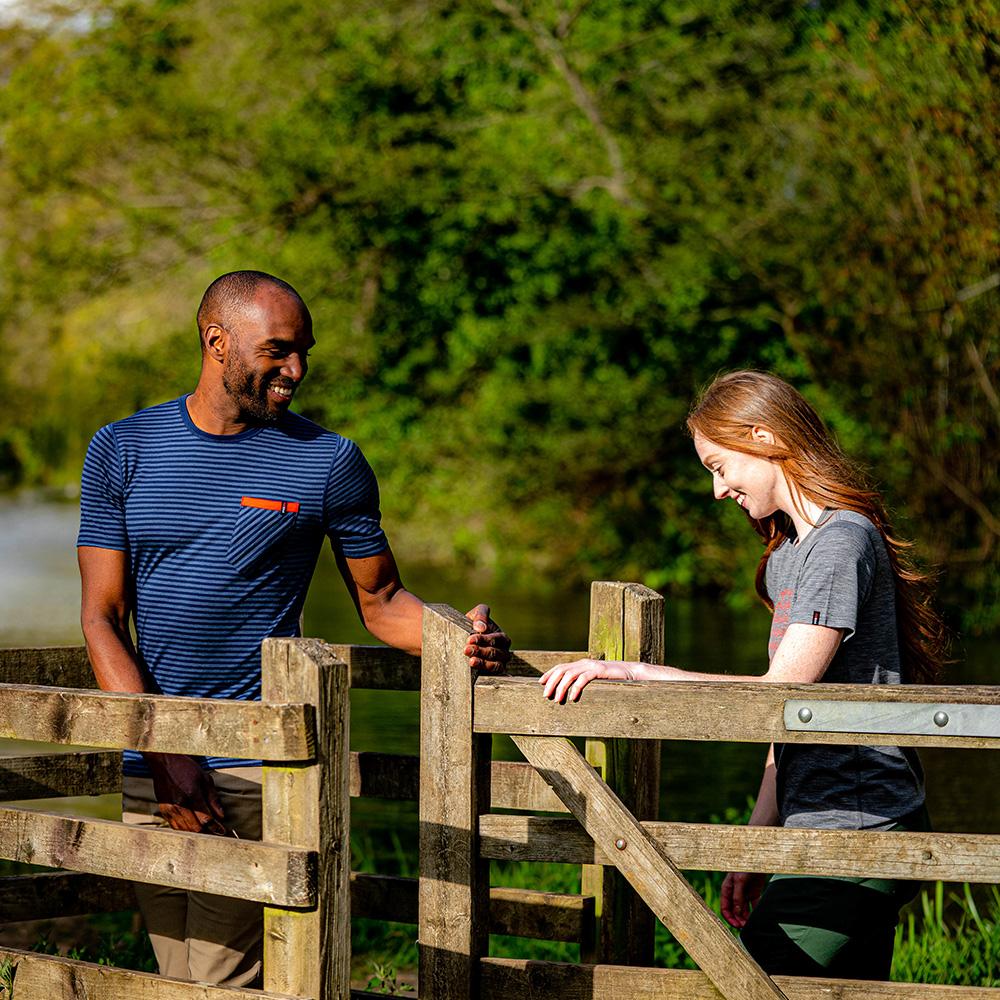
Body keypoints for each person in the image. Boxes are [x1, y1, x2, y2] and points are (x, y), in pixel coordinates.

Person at [77, 270, 511, 988]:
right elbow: (102, 616)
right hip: (150, 764)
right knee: (175, 978)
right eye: (278, 350)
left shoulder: (328, 462)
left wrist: (456, 635)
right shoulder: (122, 449)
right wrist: (164, 754)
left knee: (222, 981)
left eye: (304, 351)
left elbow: (385, 601)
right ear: (217, 341)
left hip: (257, 762)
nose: (297, 370)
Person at [540, 369, 947, 980]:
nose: (716, 489)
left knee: (756, 982)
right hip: (816, 820)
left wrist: (630, 673)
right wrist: (759, 840)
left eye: (719, 465)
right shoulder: (788, 555)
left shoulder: (842, 540)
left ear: (762, 437)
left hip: (856, 823)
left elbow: (778, 697)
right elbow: (786, 724)